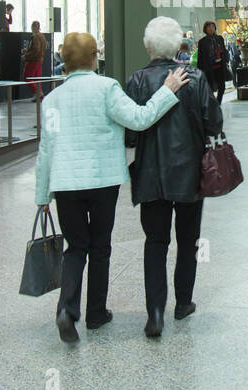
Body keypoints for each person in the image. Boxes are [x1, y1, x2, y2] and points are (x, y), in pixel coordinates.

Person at [35, 32, 188, 343]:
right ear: (94, 58)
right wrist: (166, 90)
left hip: (65, 184)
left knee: (76, 247)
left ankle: (67, 310)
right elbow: (140, 118)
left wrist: (42, 196)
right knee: (100, 246)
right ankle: (96, 313)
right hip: (102, 181)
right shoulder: (107, 88)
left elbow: (46, 149)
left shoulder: (51, 99)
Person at [125, 17, 223, 336]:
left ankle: (155, 313)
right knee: (187, 241)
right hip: (190, 174)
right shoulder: (195, 78)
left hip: (151, 175)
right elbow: (214, 125)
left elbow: (129, 135)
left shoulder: (137, 81)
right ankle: (183, 303)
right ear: (179, 45)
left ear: (149, 46)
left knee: (155, 242)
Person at [196, 21, 228, 106]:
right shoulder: (202, 42)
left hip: (220, 66)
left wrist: (225, 59)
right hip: (209, 68)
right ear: (205, 29)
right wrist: (199, 70)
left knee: (222, 87)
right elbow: (200, 57)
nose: (211, 28)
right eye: (209, 27)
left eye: (212, 27)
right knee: (210, 88)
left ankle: (218, 103)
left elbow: (224, 50)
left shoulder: (220, 38)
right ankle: (212, 104)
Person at [23, 21, 47, 100]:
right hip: (40, 60)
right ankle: (39, 96)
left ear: (33, 27)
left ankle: (38, 93)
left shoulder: (36, 37)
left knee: (27, 77)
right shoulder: (42, 36)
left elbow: (36, 49)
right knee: (37, 79)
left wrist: (26, 55)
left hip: (33, 60)